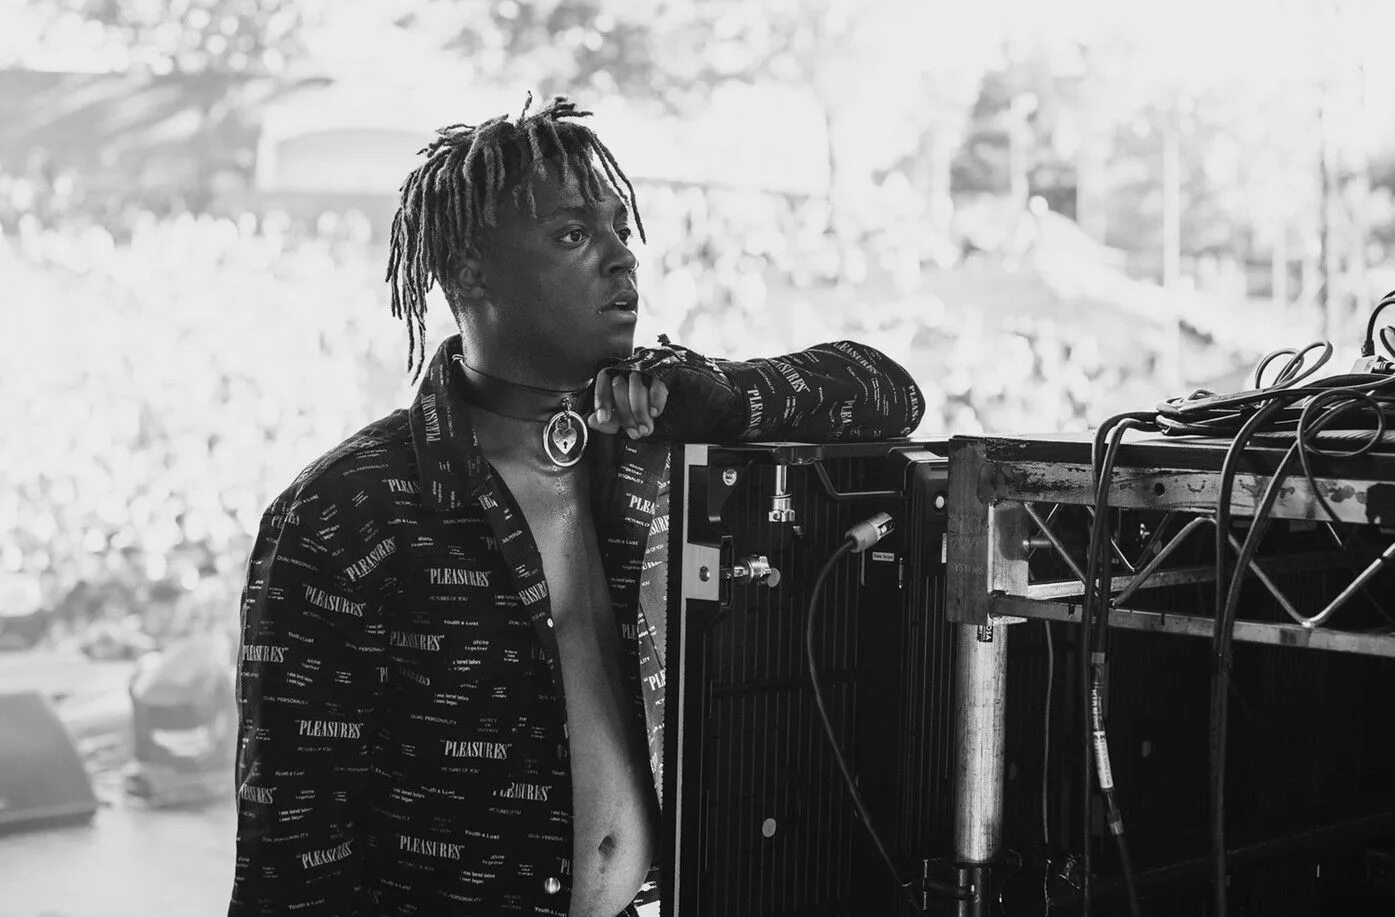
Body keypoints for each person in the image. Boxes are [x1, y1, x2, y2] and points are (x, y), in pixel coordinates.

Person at [229, 95, 926, 917]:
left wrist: (726, 398)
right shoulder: (348, 509)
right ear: (470, 273)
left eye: (620, 230)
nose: (622, 258)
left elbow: (890, 391)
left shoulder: (656, 438)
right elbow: (294, 852)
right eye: (572, 235)